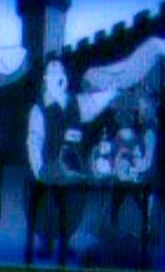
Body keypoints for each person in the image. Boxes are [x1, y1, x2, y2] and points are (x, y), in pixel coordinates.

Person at [26, 59, 118, 260]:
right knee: (47, 203)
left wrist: (110, 93)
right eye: (52, 72)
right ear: (46, 79)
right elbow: (34, 139)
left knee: (75, 200)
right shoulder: (39, 109)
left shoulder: (76, 103)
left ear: (65, 77)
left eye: (60, 71)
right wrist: (38, 168)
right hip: (49, 166)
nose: (57, 76)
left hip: (73, 166)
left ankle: (65, 239)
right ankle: (46, 240)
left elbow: (93, 103)